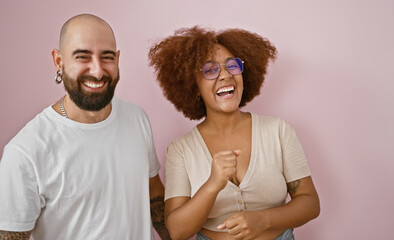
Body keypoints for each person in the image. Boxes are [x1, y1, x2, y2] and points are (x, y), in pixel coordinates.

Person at [0, 14, 170, 240]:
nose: (98, 71)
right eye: (83, 57)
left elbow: (153, 193)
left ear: (117, 60)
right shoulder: (25, 152)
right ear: (59, 61)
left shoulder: (137, 118)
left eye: (107, 57)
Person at [148, 26, 320, 240]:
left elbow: (310, 203)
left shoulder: (278, 130)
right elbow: (176, 231)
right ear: (193, 85)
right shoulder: (181, 150)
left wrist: (263, 219)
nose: (225, 75)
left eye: (232, 66)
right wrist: (213, 185)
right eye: (210, 70)